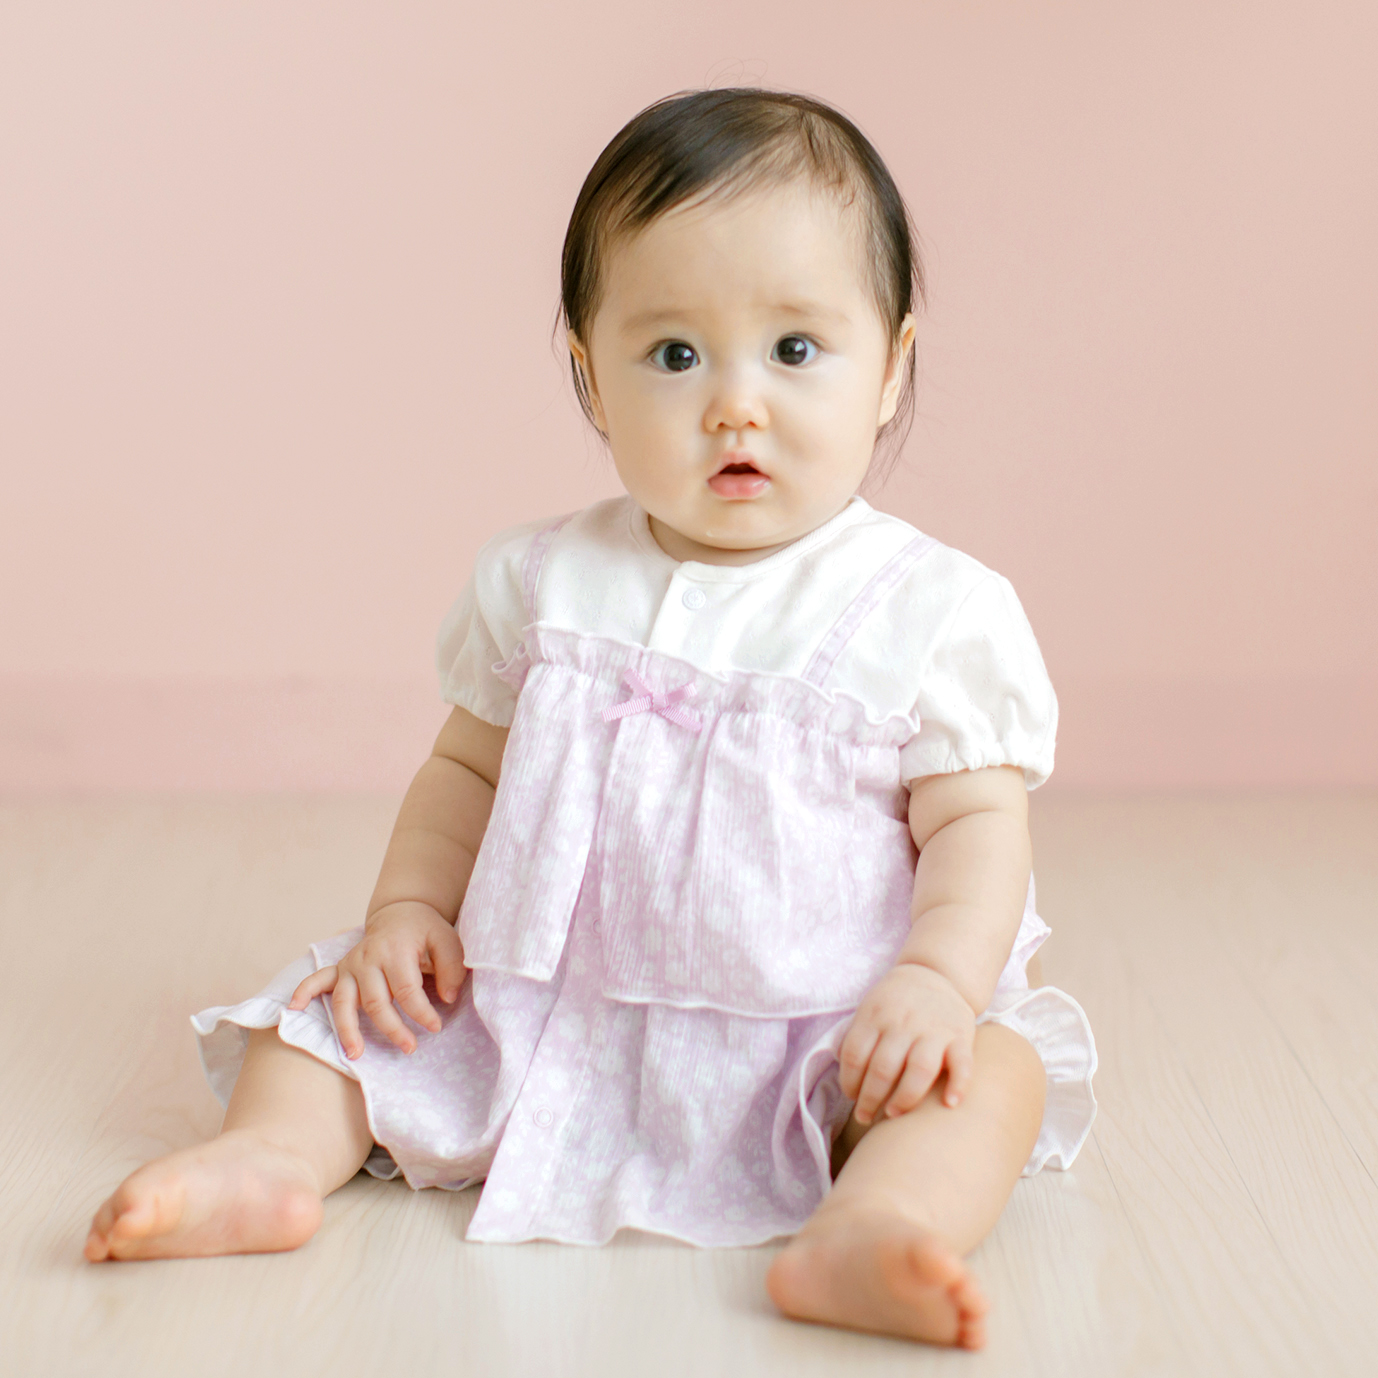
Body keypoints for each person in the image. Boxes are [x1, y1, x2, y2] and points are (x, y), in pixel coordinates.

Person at [85, 88, 1096, 1350]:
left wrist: (937, 982)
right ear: (590, 377)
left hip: (822, 1033)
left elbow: (977, 831)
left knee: (983, 1075)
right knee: (333, 1019)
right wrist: (407, 911)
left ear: (890, 369)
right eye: (674, 356)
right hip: (536, 1011)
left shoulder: (931, 610)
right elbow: (463, 772)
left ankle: (876, 1223)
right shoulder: (544, 582)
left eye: (794, 350)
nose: (735, 404)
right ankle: (269, 1159)